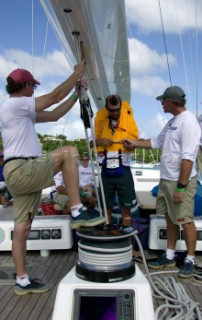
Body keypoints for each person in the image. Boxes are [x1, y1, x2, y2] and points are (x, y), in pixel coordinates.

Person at [0, 65, 105, 296]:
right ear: (26, 86)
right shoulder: (16, 103)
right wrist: (77, 73)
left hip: (18, 174)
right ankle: (77, 211)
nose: (35, 90)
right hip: (23, 168)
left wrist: (76, 96)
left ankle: (22, 281)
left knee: (22, 228)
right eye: (34, 86)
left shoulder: (20, 111)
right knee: (69, 152)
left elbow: (55, 114)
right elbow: (53, 97)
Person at [122, 86, 201, 278]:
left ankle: (190, 260)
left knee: (186, 220)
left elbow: (188, 158)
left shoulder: (189, 123)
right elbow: (156, 142)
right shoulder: (173, 122)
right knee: (169, 218)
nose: (161, 103)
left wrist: (181, 188)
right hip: (166, 180)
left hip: (179, 182)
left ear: (171, 101)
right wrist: (134, 143)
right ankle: (170, 255)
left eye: (163, 100)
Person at [90, 94, 139, 227]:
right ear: (106, 108)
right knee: (107, 208)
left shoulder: (128, 120)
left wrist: (130, 144)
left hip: (124, 171)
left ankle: (128, 243)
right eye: (112, 110)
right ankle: (107, 238)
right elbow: (90, 144)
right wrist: (98, 141)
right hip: (106, 172)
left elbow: (136, 142)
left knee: (126, 209)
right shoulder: (99, 120)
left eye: (118, 109)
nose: (115, 112)